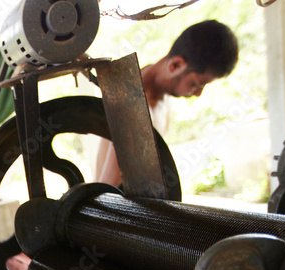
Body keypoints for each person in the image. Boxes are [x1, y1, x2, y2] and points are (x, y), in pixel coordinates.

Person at [93, 19, 239, 186]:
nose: (198, 93)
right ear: (176, 65)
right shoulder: (132, 106)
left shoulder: (162, 99)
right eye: (196, 84)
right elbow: (106, 192)